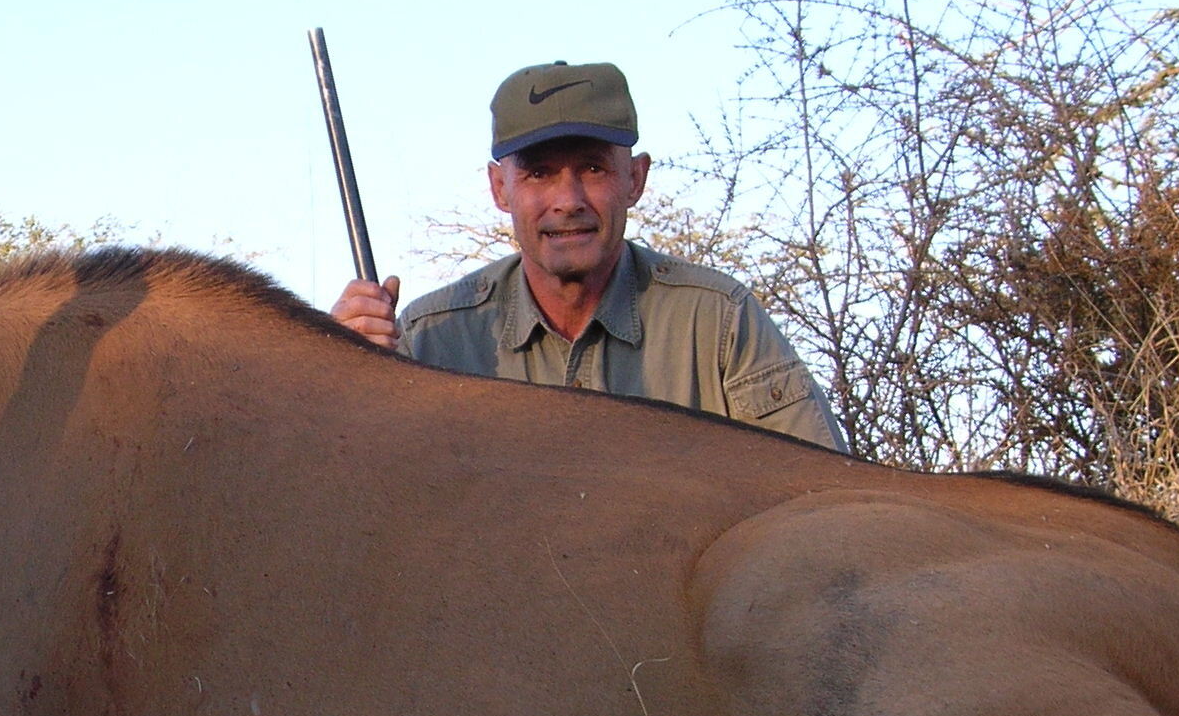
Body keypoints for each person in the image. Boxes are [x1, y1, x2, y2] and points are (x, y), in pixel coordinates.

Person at [331, 61, 846, 450]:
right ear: (499, 188)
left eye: (594, 170)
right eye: (538, 173)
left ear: (636, 179)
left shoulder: (720, 322)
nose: (568, 200)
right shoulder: (424, 340)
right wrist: (342, 378)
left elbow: (824, 497)